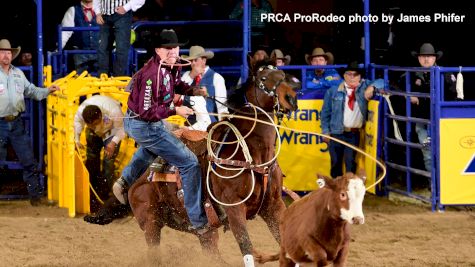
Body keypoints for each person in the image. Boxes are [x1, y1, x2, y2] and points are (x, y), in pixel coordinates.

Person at [112, 29, 210, 234]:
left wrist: (192, 91)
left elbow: (176, 85)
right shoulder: (151, 75)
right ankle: (198, 221)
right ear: (158, 50)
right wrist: (177, 109)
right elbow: (148, 112)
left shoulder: (170, 66)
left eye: (174, 47)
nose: (173, 51)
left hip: (144, 123)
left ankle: (124, 181)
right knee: (190, 162)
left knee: (157, 146)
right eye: (167, 48)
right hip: (143, 124)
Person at [0, 39, 60, 206]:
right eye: (3, 52)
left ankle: (35, 197)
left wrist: (48, 90)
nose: (6, 55)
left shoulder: (18, 73)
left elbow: (31, 91)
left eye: (8, 52)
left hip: (16, 123)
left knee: (29, 161)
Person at [321, 61, 384, 178]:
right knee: (335, 164)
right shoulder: (333, 91)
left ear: (360, 77)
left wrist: (371, 87)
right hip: (335, 133)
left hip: (353, 134)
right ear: (344, 76)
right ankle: (337, 192)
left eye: (355, 75)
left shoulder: (364, 87)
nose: (352, 77)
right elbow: (325, 113)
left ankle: (349, 191)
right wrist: (325, 131)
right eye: (349, 74)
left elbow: (383, 81)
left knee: (350, 163)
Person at [406, 43, 459, 172]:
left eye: (429, 56)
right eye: (423, 56)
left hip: (442, 120)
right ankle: (432, 181)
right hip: (423, 119)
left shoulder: (445, 74)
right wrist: (408, 95)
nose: (426, 59)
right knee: (427, 151)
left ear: (435, 58)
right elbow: (399, 86)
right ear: (418, 58)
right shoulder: (412, 74)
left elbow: (454, 95)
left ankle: (444, 180)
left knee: (445, 150)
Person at [73, 95, 126, 210]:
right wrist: (76, 140)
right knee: (91, 162)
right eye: (91, 125)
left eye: (96, 123)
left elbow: (122, 129)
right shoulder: (81, 112)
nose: (95, 127)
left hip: (112, 132)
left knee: (108, 164)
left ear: (101, 116)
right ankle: (93, 194)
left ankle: (108, 196)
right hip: (94, 134)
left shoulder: (114, 111)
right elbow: (77, 124)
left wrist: (113, 143)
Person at [93, 0, 145, 77]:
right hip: (105, 15)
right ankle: (103, 78)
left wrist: (126, 7)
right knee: (103, 48)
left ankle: (118, 79)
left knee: (121, 49)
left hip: (122, 15)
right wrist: (97, 12)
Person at [181, 45, 229, 123]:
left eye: (195, 60)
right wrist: (192, 75)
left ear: (204, 60)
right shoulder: (187, 75)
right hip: (186, 121)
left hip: (207, 123)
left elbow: (222, 107)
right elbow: (177, 94)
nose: (192, 63)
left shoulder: (217, 78)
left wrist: (223, 124)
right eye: (191, 61)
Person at [61, 0, 99, 74]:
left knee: (101, 81)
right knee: (80, 81)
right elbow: (65, 33)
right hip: (80, 54)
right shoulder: (73, 10)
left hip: (99, 53)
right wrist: (58, 49)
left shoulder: (103, 10)